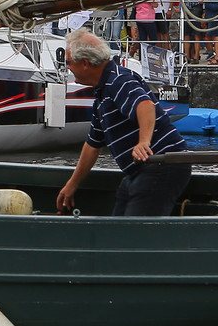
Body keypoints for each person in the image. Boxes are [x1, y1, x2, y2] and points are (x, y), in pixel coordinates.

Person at [56, 30, 191, 216]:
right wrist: (72, 184)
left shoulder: (118, 80)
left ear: (85, 63)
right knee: (118, 224)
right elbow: (93, 145)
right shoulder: (102, 93)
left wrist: (143, 142)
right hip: (140, 171)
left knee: (133, 230)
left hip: (161, 164)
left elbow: (145, 105)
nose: (68, 67)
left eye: (69, 62)